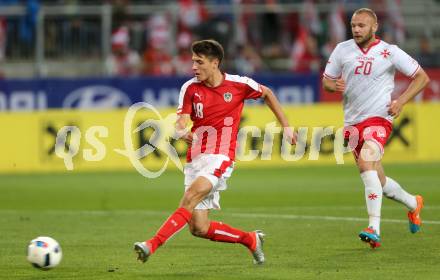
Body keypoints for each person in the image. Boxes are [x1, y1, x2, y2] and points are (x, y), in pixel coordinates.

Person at [134, 39, 297, 264]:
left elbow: (267, 93)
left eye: (199, 62)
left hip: (221, 155)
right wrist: (182, 133)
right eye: (193, 62)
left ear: (215, 63)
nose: (194, 67)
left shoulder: (239, 84)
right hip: (196, 158)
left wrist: (286, 126)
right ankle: (250, 239)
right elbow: (180, 123)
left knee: (189, 198)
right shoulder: (190, 88)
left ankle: (151, 244)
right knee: (198, 227)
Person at [322, 8, 430, 248]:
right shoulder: (342, 49)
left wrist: (401, 101)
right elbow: (327, 80)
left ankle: (374, 228)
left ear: (374, 27)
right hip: (352, 122)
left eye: (361, 25)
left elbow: (422, 77)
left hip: (379, 118)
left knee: (366, 163)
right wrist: (333, 86)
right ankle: (414, 203)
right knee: (376, 178)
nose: (356, 30)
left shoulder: (389, 52)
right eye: (353, 25)